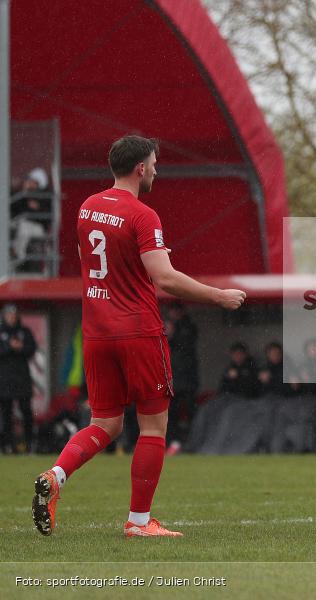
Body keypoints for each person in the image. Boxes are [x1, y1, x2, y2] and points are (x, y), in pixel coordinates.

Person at [31, 135, 246, 538]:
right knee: (152, 428)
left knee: (105, 423)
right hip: (137, 331)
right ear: (141, 168)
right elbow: (164, 277)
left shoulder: (87, 208)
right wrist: (218, 296)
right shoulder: (143, 215)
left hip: (96, 332)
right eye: (154, 164)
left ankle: (57, 475)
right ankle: (139, 522)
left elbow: (87, 263)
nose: (157, 170)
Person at [0, 304, 37, 454]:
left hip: (22, 379)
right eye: (8, 315)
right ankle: (7, 446)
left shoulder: (24, 332)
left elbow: (32, 349)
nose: (11, 317)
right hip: (5, 379)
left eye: (14, 314)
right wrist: (10, 347)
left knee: (26, 411)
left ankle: (29, 444)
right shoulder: (1, 332)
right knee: (6, 414)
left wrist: (20, 348)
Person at [164, 302, 200, 454]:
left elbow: (186, 346)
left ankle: (192, 443)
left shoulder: (189, 327)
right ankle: (173, 442)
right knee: (170, 413)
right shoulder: (165, 326)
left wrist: (173, 335)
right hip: (172, 378)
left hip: (188, 378)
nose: (174, 314)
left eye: (177, 311)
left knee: (191, 412)